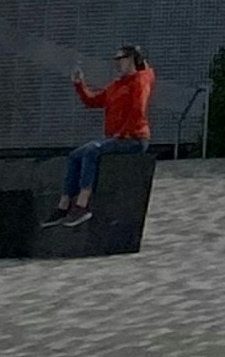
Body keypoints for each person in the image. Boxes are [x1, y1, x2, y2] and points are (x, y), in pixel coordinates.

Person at [58, 42, 155, 222]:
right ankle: (64, 205)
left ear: (133, 59)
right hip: (116, 138)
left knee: (92, 150)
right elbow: (92, 101)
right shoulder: (116, 85)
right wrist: (80, 84)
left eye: (121, 59)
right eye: (116, 59)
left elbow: (138, 109)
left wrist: (123, 133)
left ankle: (83, 204)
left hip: (134, 139)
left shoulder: (140, 80)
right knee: (74, 156)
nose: (117, 63)